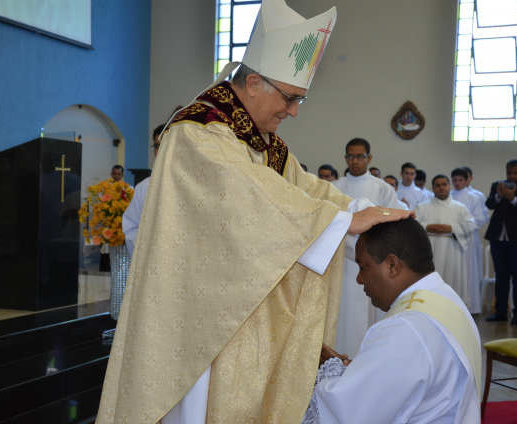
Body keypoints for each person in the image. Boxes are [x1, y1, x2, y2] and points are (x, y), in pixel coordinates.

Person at [96, 2, 413, 423]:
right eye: (290, 97)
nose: (294, 111)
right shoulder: (196, 133)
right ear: (254, 83)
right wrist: (340, 222)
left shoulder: (264, 142)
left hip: (242, 321)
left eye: (300, 99)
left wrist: (360, 209)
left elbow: (306, 188)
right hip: (201, 326)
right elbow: (246, 196)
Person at [302, 219, 481, 424]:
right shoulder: (446, 298)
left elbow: (346, 413)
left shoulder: (405, 327)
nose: (359, 279)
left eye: (363, 267)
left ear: (392, 265)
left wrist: (328, 369)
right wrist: (360, 371)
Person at [332, 137, 401, 355]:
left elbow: (392, 225)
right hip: (340, 260)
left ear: (368, 158)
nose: (355, 161)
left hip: (371, 262)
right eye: (350, 156)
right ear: (345, 158)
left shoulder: (383, 189)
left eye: (360, 156)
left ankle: (364, 357)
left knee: (366, 312)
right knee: (340, 311)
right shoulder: (334, 187)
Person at [485, 159, 517, 325]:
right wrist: (499, 196)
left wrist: (513, 198)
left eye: (515, 172)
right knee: (501, 276)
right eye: (509, 173)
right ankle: (500, 311)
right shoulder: (497, 185)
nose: (512, 176)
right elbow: (489, 204)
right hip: (498, 239)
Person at [415, 175, 476, 307]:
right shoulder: (422, 207)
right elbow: (412, 224)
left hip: (452, 252)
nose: (441, 187)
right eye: (437, 185)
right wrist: (427, 226)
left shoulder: (460, 208)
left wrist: (452, 228)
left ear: (449, 186)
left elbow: (471, 225)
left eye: (444, 184)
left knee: (452, 284)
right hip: (429, 253)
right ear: (432, 188)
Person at [451, 167, 490, 314]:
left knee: (469, 271)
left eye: (460, 180)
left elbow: (481, 218)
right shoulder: (449, 196)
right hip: (451, 237)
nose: (457, 183)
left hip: (469, 237)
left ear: (467, 180)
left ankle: (470, 306)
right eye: (454, 180)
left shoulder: (474, 197)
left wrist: (463, 226)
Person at [122, 124, 165, 256]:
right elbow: (131, 226)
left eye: (164, 144)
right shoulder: (144, 187)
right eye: (156, 146)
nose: (159, 151)